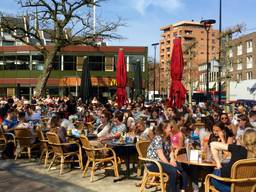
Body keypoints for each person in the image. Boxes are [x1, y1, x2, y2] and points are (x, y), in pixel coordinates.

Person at [146, 120, 188, 192]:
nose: (171, 129)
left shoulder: (168, 138)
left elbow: (171, 151)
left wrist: (172, 159)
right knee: (173, 170)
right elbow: (161, 155)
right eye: (170, 127)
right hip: (154, 163)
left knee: (183, 167)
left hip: (163, 161)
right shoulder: (158, 138)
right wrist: (170, 164)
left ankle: (182, 189)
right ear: (164, 129)